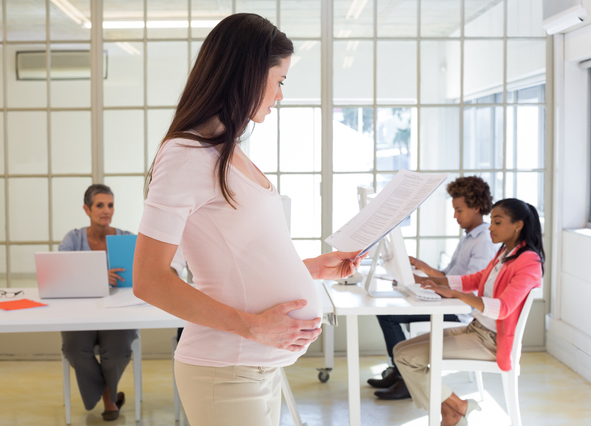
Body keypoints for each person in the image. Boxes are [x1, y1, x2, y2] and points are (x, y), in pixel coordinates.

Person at [132, 14, 365, 426]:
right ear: (247, 74)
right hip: (226, 368)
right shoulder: (186, 154)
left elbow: (238, 258)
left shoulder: (227, 150)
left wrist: (310, 269)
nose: (279, 95)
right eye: (279, 80)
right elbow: (149, 279)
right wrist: (252, 327)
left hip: (255, 366)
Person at [392, 199, 545, 426]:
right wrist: (428, 281)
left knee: (407, 358)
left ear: (518, 225)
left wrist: (456, 295)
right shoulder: (505, 253)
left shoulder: (528, 262)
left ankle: (453, 411)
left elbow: (503, 308)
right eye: (491, 220)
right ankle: (457, 408)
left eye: (497, 222)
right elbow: (473, 279)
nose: (490, 227)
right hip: (476, 330)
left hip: (491, 342)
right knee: (400, 350)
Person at [59, 184, 184, 422]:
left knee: (117, 350)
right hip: (81, 314)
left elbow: (146, 273)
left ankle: (107, 398)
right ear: (87, 209)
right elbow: (62, 276)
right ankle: (110, 395)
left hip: (119, 314)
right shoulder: (73, 239)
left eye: (110, 205)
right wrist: (96, 277)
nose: (106, 210)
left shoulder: (127, 239)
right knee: (74, 349)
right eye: (99, 205)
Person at [369, 176, 498, 399]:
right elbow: (449, 277)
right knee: (388, 311)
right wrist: (423, 271)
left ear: (477, 207)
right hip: (451, 301)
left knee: (389, 315)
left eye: (459, 210)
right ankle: (400, 371)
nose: (455, 216)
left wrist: (431, 282)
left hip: (461, 312)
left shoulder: (483, 241)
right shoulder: (470, 237)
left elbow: (470, 287)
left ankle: (404, 377)